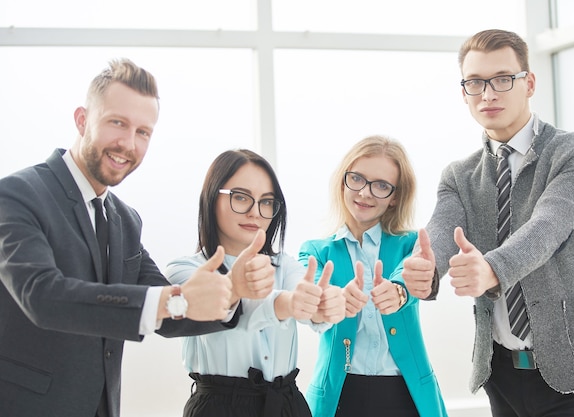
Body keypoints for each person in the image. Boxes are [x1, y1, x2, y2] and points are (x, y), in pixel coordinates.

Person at [0, 59, 264, 417]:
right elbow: (43, 296)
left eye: (143, 132)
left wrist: (230, 290)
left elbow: (169, 307)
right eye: (117, 123)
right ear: (82, 119)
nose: (128, 143)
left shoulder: (125, 219)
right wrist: (173, 300)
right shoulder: (16, 195)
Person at [406, 29, 574, 416]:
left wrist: (491, 268)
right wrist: (421, 272)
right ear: (464, 92)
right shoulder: (459, 175)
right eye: (475, 82)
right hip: (501, 375)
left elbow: (549, 226)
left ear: (529, 83)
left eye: (502, 79)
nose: (488, 93)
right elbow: (441, 232)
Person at [165, 149, 346, 417]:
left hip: (287, 405)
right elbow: (232, 308)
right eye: (240, 197)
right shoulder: (185, 270)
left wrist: (321, 304)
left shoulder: (285, 265)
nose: (255, 212)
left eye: (267, 202)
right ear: (212, 197)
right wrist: (285, 303)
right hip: (218, 408)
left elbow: (302, 292)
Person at [299, 135, 448, 417]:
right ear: (343, 181)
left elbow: (411, 275)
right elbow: (311, 300)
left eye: (381, 186)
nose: (365, 193)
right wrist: (332, 301)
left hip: (405, 396)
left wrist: (399, 291)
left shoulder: (411, 244)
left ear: (394, 198)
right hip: (338, 396)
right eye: (357, 178)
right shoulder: (315, 252)